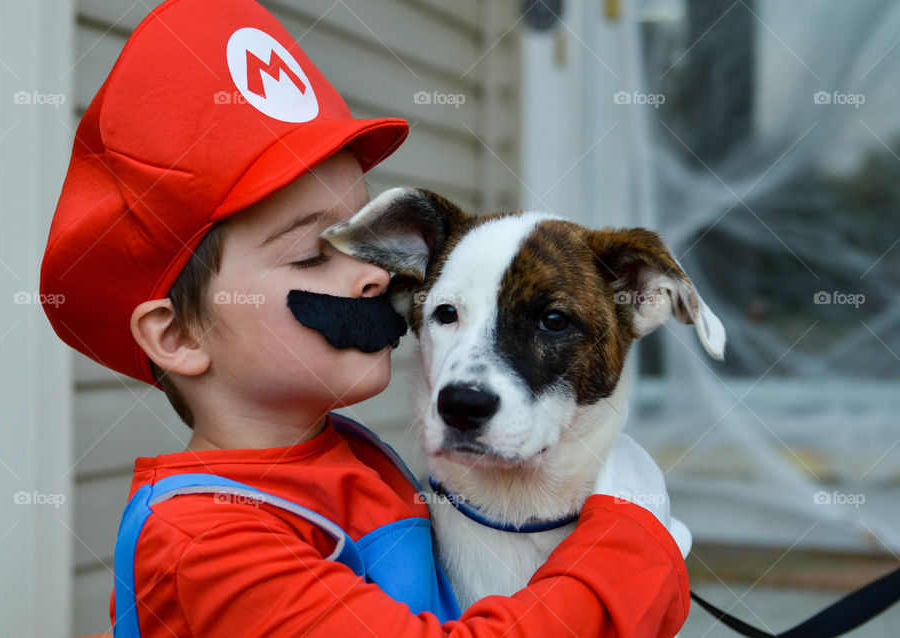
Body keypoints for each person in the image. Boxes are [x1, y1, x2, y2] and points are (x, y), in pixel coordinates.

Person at [40, 1, 690, 636]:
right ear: (178, 335)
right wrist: (629, 539)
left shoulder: (349, 456)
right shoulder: (206, 537)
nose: (379, 273)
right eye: (311, 256)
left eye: (361, 239)